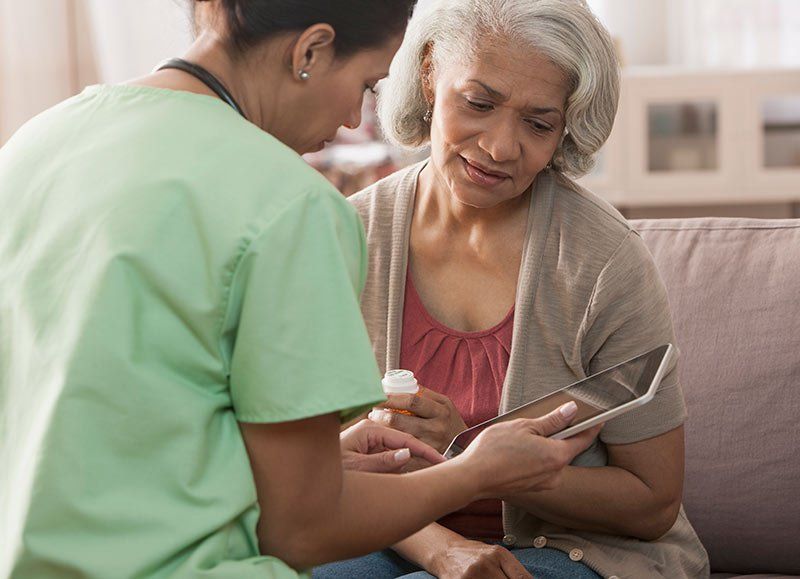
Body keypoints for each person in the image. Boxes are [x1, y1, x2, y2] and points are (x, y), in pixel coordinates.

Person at [0, 1, 602, 578]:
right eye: (368, 84)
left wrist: (302, 461)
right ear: (310, 50)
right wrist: (474, 473)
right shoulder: (292, 204)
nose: (349, 119)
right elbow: (304, 529)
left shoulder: (35, 143)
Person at [315, 0, 712, 578]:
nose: (501, 147)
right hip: (393, 533)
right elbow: (314, 469)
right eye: (479, 103)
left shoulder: (604, 261)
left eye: (539, 122)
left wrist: (478, 458)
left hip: (573, 548)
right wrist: (440, 549)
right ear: (429, 75)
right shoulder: (345, 236)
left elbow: (652, 502)